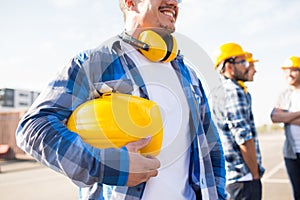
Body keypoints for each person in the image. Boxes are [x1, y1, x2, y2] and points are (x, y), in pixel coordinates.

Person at [16, 0, 227, 199]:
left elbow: (211, 146)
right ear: (129, 2)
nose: (174, 2)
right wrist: (107, 164)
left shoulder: (189, 74)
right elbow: (33, 128)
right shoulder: (96, 63)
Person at [211, 42, 265, 200]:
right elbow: (244, 137)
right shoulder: (233, 91)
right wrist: (255, 175)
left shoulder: (220, 90)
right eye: (243, 62)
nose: (247, 67)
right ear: (229, 66)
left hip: (232, 177)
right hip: (243, 178)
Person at [270, 56, 300, 200]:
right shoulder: (284, 95)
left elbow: (280, 117)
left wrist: (286, 116)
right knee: (298, 192)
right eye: (287, 71)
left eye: (293, 70)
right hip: (291, 153)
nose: (289, 74)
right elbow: (274, 117)